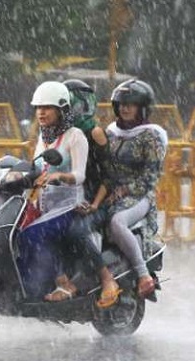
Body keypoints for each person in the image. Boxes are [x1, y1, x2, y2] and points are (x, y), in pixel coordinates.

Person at [16, 81, 88, 302]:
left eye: (47, 107)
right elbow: (38, 167)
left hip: (68, 207)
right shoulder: (44, 136)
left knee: (33, 234)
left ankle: (65, 284)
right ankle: (31, 285)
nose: (41, 112)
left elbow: (80, 175)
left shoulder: (75, 136)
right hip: (44, 204)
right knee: (13, 232)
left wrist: (60, 176)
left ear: (61, 110)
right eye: (38, 107)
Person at [103, 79, 167, 298]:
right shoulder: (110, 132)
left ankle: (143, 275)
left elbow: (150, 177)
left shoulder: (152, 135)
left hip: (139, 195)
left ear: (143, 108)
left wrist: (122, 191)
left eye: (131, 104)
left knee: (116, 223)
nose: (125, 108)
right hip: (106, 192)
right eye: (121, 103)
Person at [61, 79, 122, 307]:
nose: (74, 109)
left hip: (96, 200)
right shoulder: (57, 132)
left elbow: (109, 176)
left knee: (75, 231)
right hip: (65, 200)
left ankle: (107, 278)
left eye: (77, 104)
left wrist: (95, 204)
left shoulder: (94, 132)